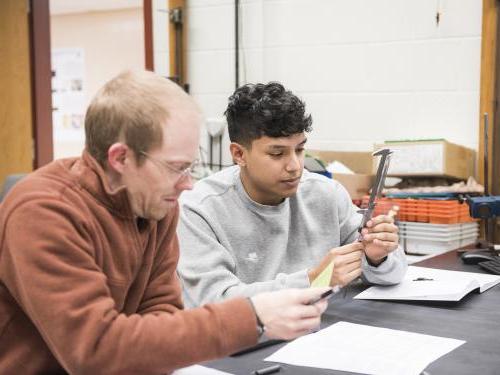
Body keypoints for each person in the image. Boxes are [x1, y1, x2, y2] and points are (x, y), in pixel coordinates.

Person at [0, 71, 330, 374]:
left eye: (190, 166)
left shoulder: (153, 203)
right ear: (121, 158)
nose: (187, 184)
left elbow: (162, 316)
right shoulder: (43, 213)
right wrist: (252, 316)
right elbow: (95, 350)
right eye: (176, 167)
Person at [177, 82, 407, 307]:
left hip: (323, 329)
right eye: (277, 153)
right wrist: (312, 280)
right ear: (239, 154)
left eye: (299, 149)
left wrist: (378, 258)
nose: (295, 166)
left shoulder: (326, 193)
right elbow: (213, 301)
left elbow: (393, 274)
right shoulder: (199, 208)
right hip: (247, 341)